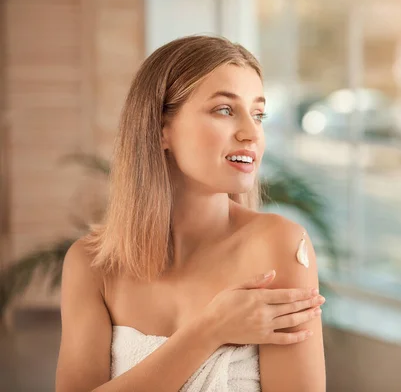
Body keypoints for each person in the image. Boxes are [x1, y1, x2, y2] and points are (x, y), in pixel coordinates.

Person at [55, 35, 326, 392]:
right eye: (225, 110)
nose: (251, 133)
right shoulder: (91, 265)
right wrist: (210, 330)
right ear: (161, 129)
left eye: (258, 114)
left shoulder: (280, 247)